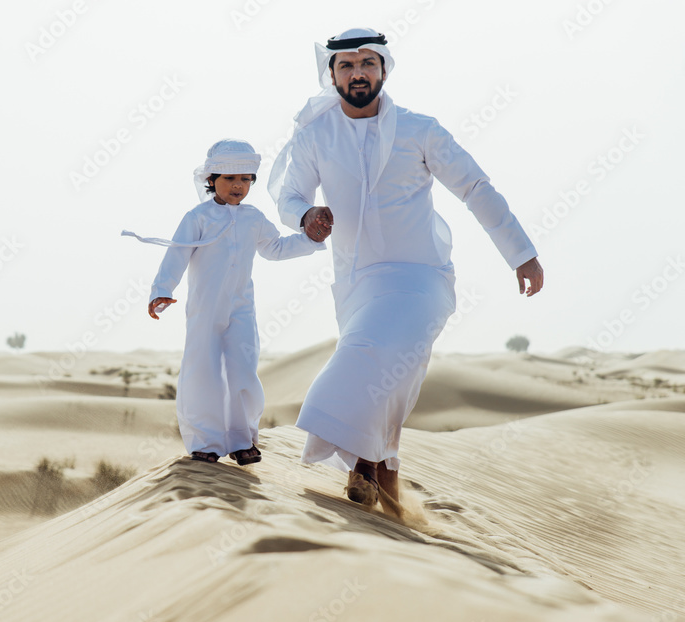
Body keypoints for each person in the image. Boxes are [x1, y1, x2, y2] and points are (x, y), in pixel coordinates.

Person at [269, 28, 544, 513]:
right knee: (393, 379)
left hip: (422, 276)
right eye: (347, 66)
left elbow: (475, 187)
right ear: (330, 74)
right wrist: (305, 217)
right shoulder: (316, 136)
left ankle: (363, 467)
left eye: (367, 64)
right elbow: (289, 196)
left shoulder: (420, 129)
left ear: (384, 69)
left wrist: (520, 251)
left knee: (365, 353)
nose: (358, 73)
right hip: (356, 280)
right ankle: (390, 494)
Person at [123, 139, 328, 464]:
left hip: (241, 310)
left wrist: (309, 238)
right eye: (230, 178)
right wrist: (162, 290)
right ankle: (205, 443)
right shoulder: (198, 216)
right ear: (211, 179)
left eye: (245, 179)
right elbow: (177, 254)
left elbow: (274, 248)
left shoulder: (253, 218)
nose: (238, 185)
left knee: (242, 371)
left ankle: (242, 440)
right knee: (203, 371)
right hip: (205, 311)